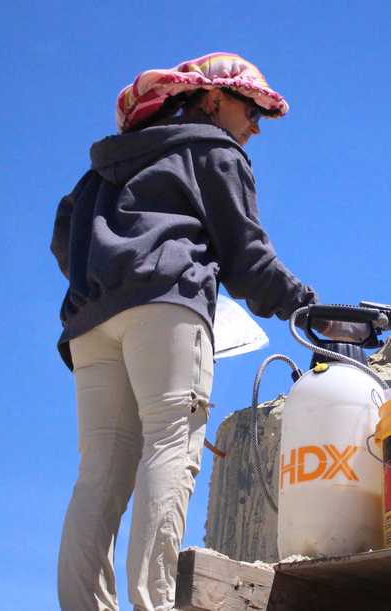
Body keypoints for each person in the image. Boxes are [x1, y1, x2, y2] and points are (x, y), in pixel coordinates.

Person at [50, 52, 346, 611]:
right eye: (252, 109)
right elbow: (248, 258)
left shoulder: (99, 173)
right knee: (170, 445)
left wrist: (114, 277)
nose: (256, 126)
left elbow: (65, 239)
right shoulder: (213, 150)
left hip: (91, 323)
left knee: (100, 472)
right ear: (212, 100)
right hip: (166, 311)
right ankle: (154, 603)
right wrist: (311, 310)